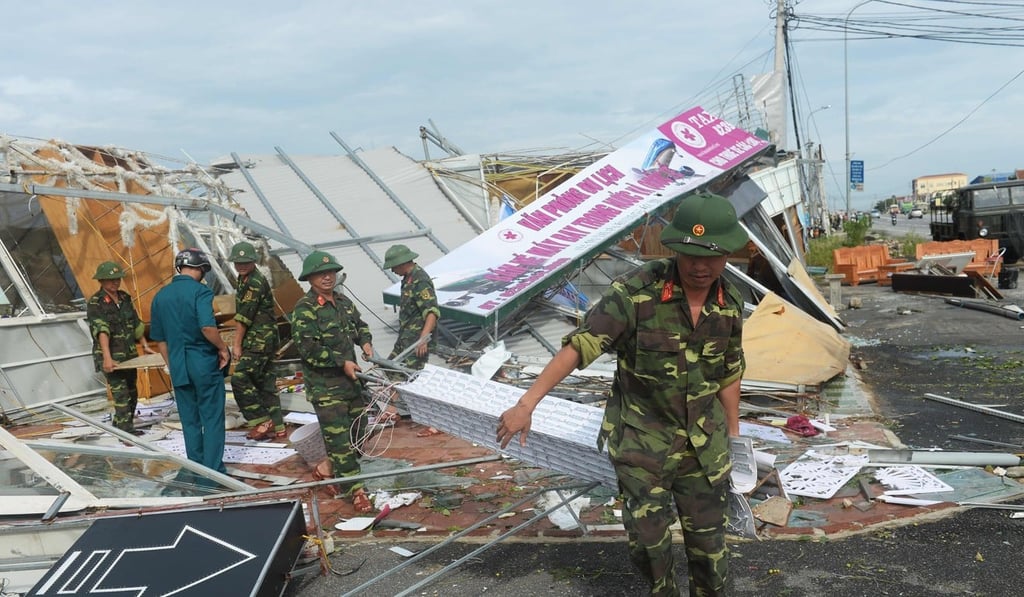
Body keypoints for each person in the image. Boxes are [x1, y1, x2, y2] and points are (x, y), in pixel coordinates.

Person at [496, 192, 748, 596]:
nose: (701, 266)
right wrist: (527, 403)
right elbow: (580, 346)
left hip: (705, 446)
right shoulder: (635, 293)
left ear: (728, 254)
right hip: (643, 445)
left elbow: (730, 371)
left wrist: (734, 437)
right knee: (649, 547)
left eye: (712, 256)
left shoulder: (730, 302)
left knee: (710, 549)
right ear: (676, 248)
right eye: (691, 255)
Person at [290, 250, 375, 512]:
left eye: (331, 272)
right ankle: (356, 491)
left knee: (359, 435)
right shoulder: (304, 310)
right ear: (310, 278)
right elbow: (309, 349)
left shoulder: (343, 301)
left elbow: (360, 325)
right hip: (326, 389)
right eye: (320, 273)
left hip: (351, 384)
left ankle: (326, 468)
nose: (327, 277)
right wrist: (342, 362)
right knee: (340, 441)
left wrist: (366, 343)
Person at [150, 248, 231, 474]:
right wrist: (223, 348)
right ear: (202, 269)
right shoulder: (200, 292)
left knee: (190, 420)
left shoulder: (160, 296)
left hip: (179, 367)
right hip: (203, 363)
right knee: (212, 417)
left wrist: (173, 364)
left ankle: (195, 469)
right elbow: (207, 327)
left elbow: (160, 340)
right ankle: (214, 472)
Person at [228, 241, 285, 441]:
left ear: (254, 261)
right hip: (264, 339)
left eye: (246, 262)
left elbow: (244, 316)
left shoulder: (254, 282)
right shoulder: (245, 278)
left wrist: (236, 345)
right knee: (266, 382)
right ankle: (278, 426)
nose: (241, 265)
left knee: (240, 378)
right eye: (238, 262)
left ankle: (261, 420)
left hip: (259, 340)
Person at [380, 244, 439, 431]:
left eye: (393, 266)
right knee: (391, 369)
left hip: (416, 341)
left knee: (415, 378)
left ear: (402, 262)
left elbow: (431, 311)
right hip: (406, 338)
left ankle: (434, 423)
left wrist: (423, 338)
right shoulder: (408, 279)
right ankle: (391, 410)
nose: (392, 270)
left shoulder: (420, 280)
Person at [86, 261, 149, 434]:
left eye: (117, 279)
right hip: (111, 355)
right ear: (102, 281)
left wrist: (144, 344)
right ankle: (126, 431)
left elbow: (135, 324)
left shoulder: (124, 298)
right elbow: (101, 330)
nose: (115, 283)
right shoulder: (96, 302)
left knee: (132, 391)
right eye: (110, 280)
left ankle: (120, 423)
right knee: (121, 394)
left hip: (129, 355)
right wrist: (107, 357)